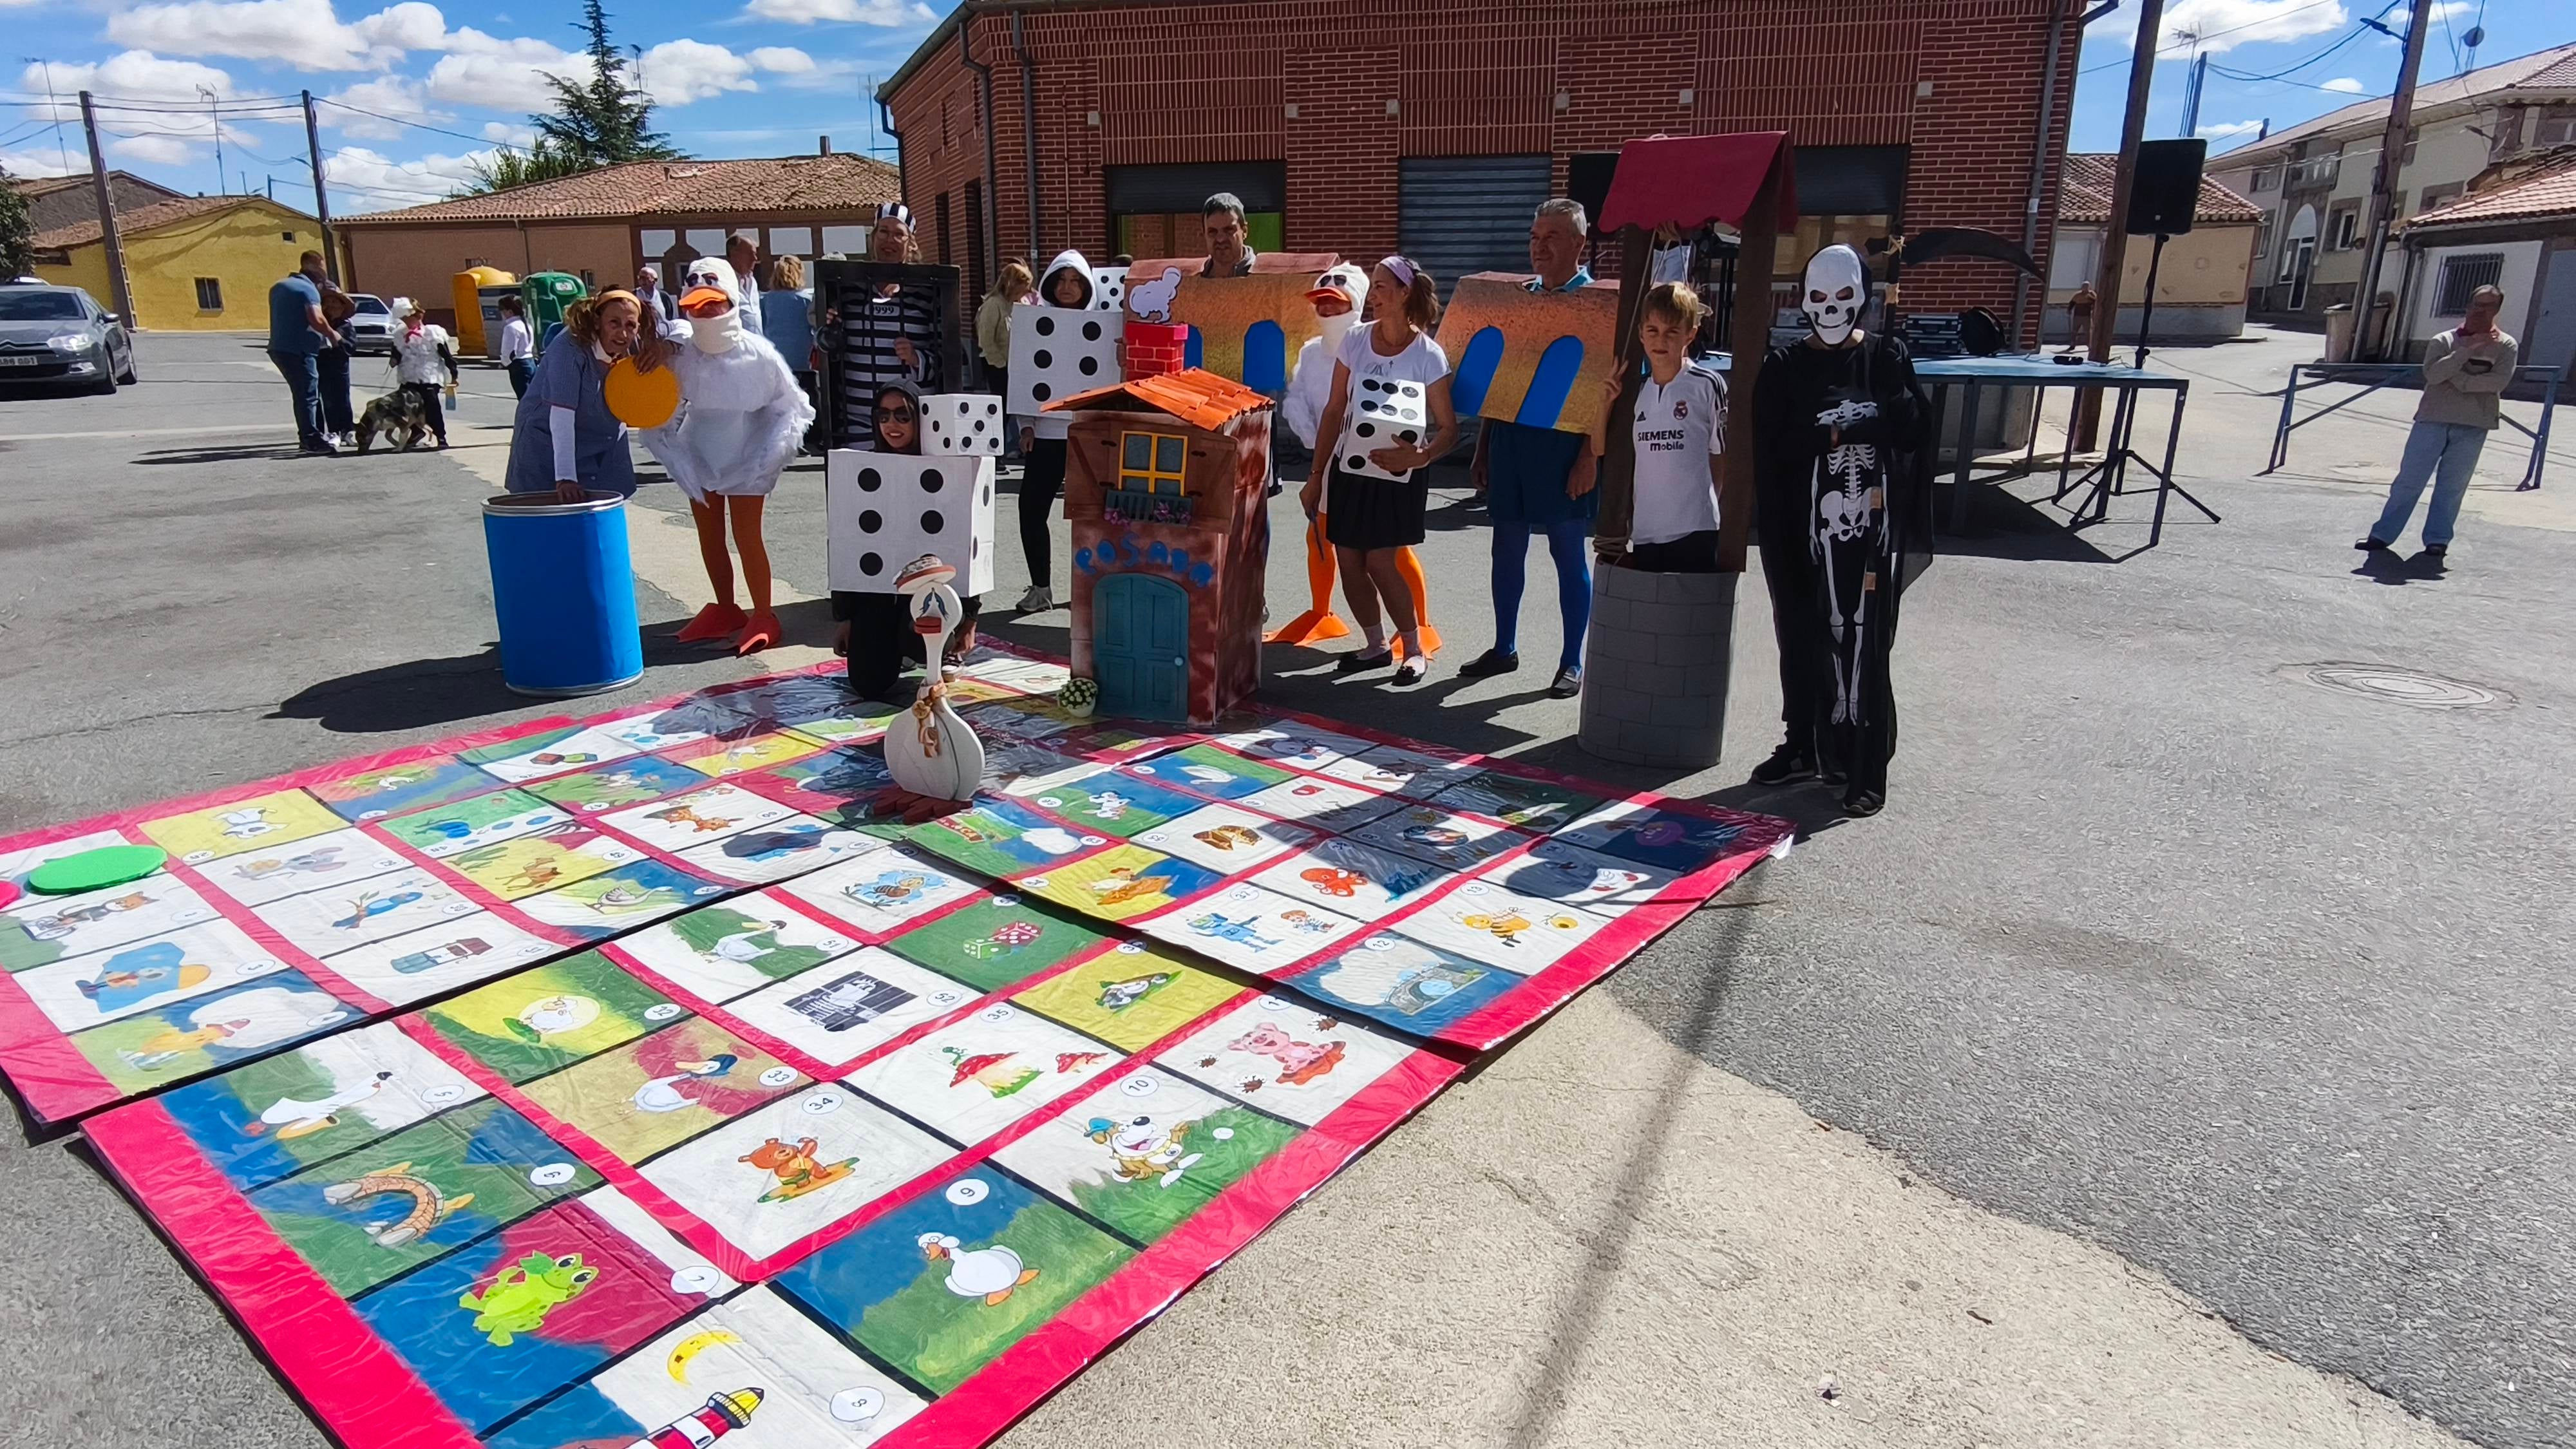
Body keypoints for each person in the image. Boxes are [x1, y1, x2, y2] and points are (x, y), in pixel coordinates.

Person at [1750, 243, 1933, 819]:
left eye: (1844, 298)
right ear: (1804, 301)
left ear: (1863, 300)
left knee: (1863, 639)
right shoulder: (1783, 368)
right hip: (1808, 530)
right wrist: (1841, 434)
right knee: (1802, 636)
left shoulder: (1885, 356)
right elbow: (1771, 446)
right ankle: (1802, 746)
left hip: (1869, 531)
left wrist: (1891, 391)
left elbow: (1913, 433)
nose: (1831, 310)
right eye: (1820, 298)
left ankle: (1862, 763)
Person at [1461, 199, 1600, 699]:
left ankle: (1571, 662)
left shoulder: (1599, 306)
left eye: (1553, 237)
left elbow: (1606, 391)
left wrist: (1590, 456)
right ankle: (1505, 648)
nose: (1540, 247)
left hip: (1564, 447)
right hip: (1511, 442)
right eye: (1534, 237)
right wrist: (1482, 448)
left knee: (1567, 553)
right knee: (1507, 548)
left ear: (1579, 244)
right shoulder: (1518, 299)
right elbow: (1503, 380)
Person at [1300, 256, 1458, 686]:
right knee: (1349, 561)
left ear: (1406, 293)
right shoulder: (1355, 340)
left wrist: (1419, 456)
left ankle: (1412, 648)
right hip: (1350, 469)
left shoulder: (1429, 354)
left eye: (1383, 287)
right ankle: (1375, 646)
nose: (1373, 295)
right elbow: (1335, 410)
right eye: (1373, 286)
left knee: (1382, 563)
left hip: (1399, 475)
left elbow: (1448, 430)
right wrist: (1316, 476)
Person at [645, 258, 813, 656]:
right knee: (709, 535)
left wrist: (769, 454)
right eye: (697, 305)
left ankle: (764, 614)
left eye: (715, 304)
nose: (706, 313)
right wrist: (666, 442)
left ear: (732, 301)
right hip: (699, 451)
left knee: (747, 535)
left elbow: (794, 405)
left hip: (749, 452)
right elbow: (658, 394)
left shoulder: (759, 354)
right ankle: (724, 606)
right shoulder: (681, 352)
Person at [833, 380, 982, 699]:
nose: (892, 425)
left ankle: (937, 650)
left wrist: (969, 619)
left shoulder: (947, 471)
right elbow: (850, 544)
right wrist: (847, 619)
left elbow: (968, 541)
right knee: (867, 684)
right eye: (884, 416)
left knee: (917, 635)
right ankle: (893, 650)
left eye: (903, 416)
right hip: (877, 595)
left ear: (920, 418)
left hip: (930, 592)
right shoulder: (865, 469)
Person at [2358, 283, 2519, 562]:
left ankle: (2437, 540)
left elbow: (2498, 382)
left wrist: (2458, 379)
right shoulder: (2443, 341)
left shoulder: (2505, 345)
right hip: (2432, 419)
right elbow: (2433, 375)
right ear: (2468, 306)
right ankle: (2382, 535)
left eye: (2489, 306)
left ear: (2498, 310)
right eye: (2477, 304)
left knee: (2452, 486)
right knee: (2409, 481)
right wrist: (2465, 353)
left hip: (2474, 424)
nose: (2481, 311)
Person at [504, 290, 667, 502]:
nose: (623, 333)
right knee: (551, 516)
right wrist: (565, 477)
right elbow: (562, 416)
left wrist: (667, 347)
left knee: (606, 511)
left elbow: (682, 329)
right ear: (598, 322)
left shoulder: (632, 342)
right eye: (614, 323)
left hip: (603, 439)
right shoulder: (569, 348)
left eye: (630, 325)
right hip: (548, 443)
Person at [1618, 283, 1727, 573]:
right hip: (1646, 533)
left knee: (1689, 618)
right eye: (1653, 331)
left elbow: (1721, 455)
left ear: (1690, 334)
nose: (1661, 341)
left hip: (1694, 532)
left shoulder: (1707, 385)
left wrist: (1702, 506)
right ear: (1642, 333)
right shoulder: (1638, 392)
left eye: (1672, 332)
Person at [1012, 251, 1097, 613]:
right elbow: (1023, 376)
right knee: (1031, 510)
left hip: (1087, 435)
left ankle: (1093, 589)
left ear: (1086, 286)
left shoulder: (1103, 325)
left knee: (1092, 516)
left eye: (1075, 280)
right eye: (1061, 280)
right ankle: (1041, 588)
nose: (1067, 287)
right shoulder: (1033, 323)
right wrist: (1026, 425)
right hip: (1045, 434)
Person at [833, 203, 942, 448]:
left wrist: (917, 359)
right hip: (857, 420)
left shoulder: (927, 293)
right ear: (872, 237)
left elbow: (948, 356)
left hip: (910, 419)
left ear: (910, 242)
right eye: (883, 231)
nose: (889, 240)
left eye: (898, 234)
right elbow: (827, 346)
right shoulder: (848, 291)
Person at [267, 251, 341, 456]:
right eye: (323, 268)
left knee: (302, 393)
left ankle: (309, 435)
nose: (324, 274)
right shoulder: (307, 290)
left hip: (279, 348)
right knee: (308, 394)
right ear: (314, 266)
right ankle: (310, 439)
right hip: (299, 350)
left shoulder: (279, 287)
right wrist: (333, 335)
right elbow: (316, 318)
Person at [759, 254, 819, 446]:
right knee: (806, 400)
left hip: (776, 359)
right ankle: (807, 438)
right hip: (802, 358)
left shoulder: (766, 300)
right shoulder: (805, 299)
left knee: (781, 404)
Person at [387, 298, 457, 450]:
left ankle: (441, 436)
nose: (406, 322)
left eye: (408, 318)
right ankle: (417, 431)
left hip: (429, 377)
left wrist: (454, 374)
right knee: (401, 407)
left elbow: (446, 356)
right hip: (409, 378)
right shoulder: (400, 335)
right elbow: (396, 355)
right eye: (403, 319)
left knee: (432, 407)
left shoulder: (433, 333)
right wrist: (394, 360)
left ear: (419, 316)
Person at [977, 259, 1033, 410]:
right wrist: (1002, 365)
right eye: (1025, 286)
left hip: (1019, 367)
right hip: (998, 366)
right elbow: (986, 341)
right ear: (1013, 284)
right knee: (1003, 410)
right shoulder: (993, 305)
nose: (1028, 291)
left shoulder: (1022, 304)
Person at [317, 278, 358, 450]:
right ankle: (333, 431)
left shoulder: (346, 326)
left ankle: (347, 430)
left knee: (343, 399)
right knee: (328, 400)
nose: (332, 306)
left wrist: (338, 341)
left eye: (336, 303)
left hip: (340, 367)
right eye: (329, 302)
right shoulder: (319, 324)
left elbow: (351, 347)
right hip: (323, 366)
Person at [1202, 193, 1256, 278]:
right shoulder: (1188, 281)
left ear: (1244, 231)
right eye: (1213, 232)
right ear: (1205, 234)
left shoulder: (1268, 277)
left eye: (1229, 230)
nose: (1221, 239)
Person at [497, 293, 537, 399]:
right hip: (531, 361)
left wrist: (504, 363)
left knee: (523, 399)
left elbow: (509, 351)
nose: (503, 314)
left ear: (510, 312)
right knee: (532, 398)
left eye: (503, 311)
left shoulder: (511, 327)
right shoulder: (526, 324)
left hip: (519, 365)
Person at [725, 232, 763, 316]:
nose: (755, 258)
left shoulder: (752, 280)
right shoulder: (724, 282)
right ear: (734, 254)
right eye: (750, 253)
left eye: (755, 254)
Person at [635, 265, 679, 336]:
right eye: (639, 278)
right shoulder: (634, 295)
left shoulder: (663, 296)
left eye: (645, 278)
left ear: (654, 280)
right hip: (642, 335)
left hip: (663, 334)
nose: (641, 280)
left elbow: (669, 316)